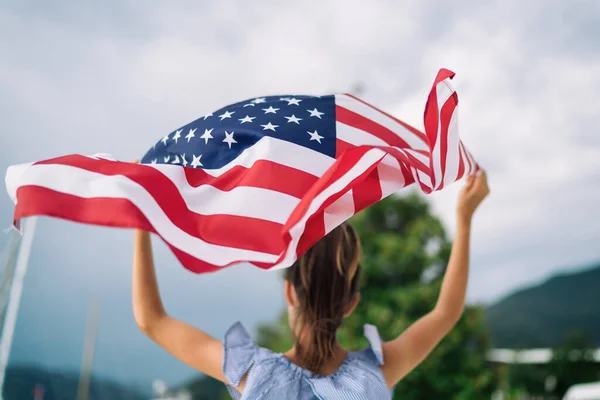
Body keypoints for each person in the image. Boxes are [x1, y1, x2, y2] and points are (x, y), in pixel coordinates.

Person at [132, 170, 490, 399]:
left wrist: (142, 215)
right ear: (351, 303)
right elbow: (446, 312)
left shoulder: (254, 375)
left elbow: (152, 319)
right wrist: (465, 219)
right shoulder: (375, 374)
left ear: (289, 292)